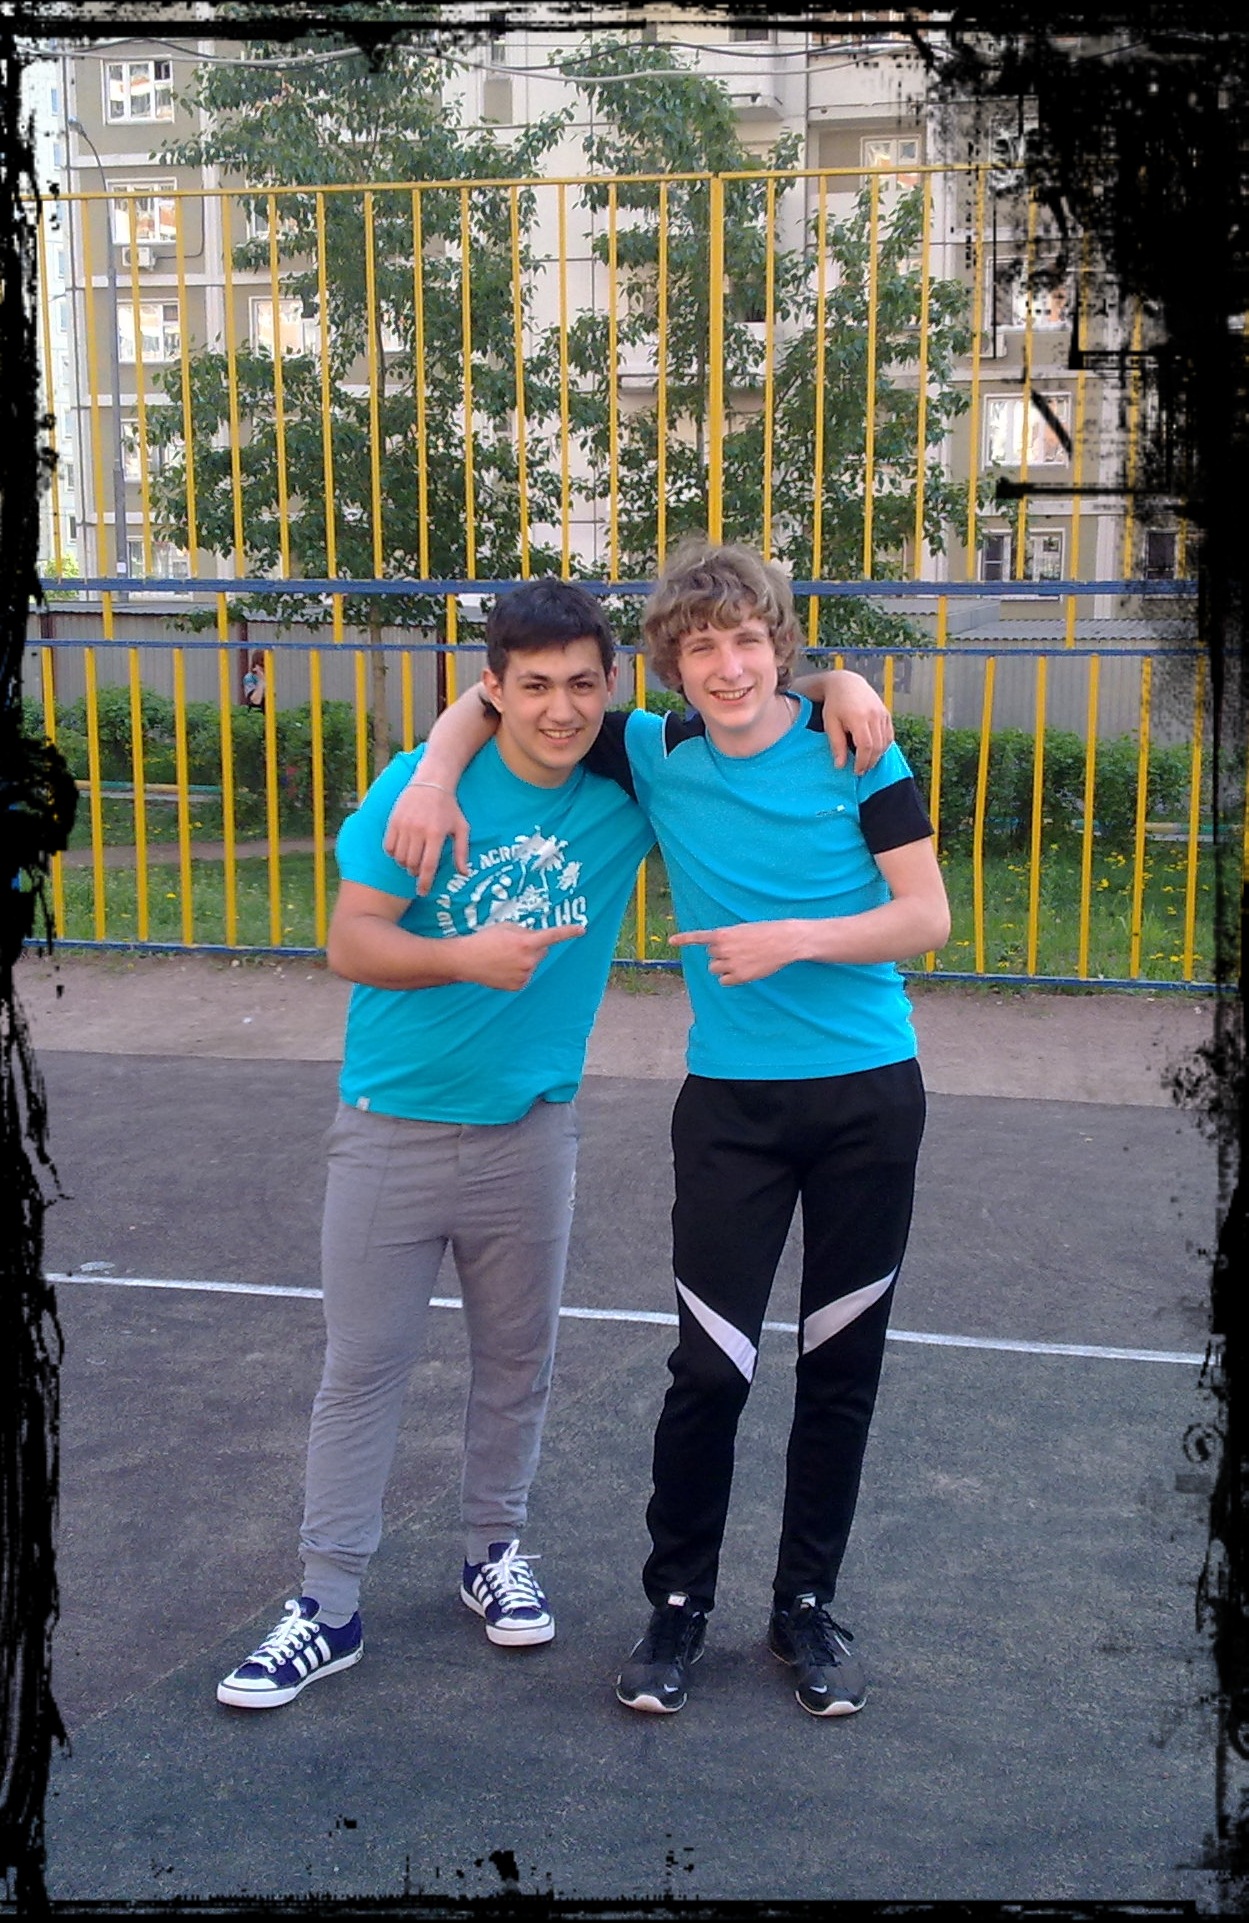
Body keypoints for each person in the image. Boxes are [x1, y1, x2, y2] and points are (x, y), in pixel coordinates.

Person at [217, 575, 890, 1710]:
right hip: (389, 1126)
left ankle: (492, 1553)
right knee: (364, 1370)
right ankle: (326, 1603)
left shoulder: (629, 786)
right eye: (532, 686)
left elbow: (743, 693)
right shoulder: (420, 791)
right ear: (493, 688)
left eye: (582, 683)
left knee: (517, 1365)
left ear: (613, 684)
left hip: (532, 1131)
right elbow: (350, 942)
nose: (561, 707)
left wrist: (841, 681)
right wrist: (460, 937)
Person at [387, 544, 948, 1722]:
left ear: (779, 646)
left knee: (839, 1368)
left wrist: (794, 936)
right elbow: (499, 697)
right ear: (671, 669)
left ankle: (806, 1607)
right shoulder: (653, 751)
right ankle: (677, 1607)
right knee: (709, 1369)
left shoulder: (856, 745)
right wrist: (433, 780)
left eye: (746, 641)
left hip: (867, 1100)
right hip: (732, 1110)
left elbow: (925, 916)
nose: (728, 666)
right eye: (701, 648)